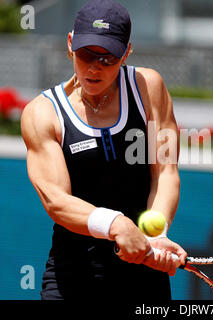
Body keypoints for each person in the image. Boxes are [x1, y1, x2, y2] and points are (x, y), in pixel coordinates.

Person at [21, 0, 187, 300]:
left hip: (143, 275)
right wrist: (115, 224)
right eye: (86, 54)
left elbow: (165, 172)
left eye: (108, 58)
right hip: (72, 278)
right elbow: (56, 201)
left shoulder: (149, 88)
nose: (95, 68)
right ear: (71, 44)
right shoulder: (42, 113)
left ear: (127, 52)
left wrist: (155, 233)